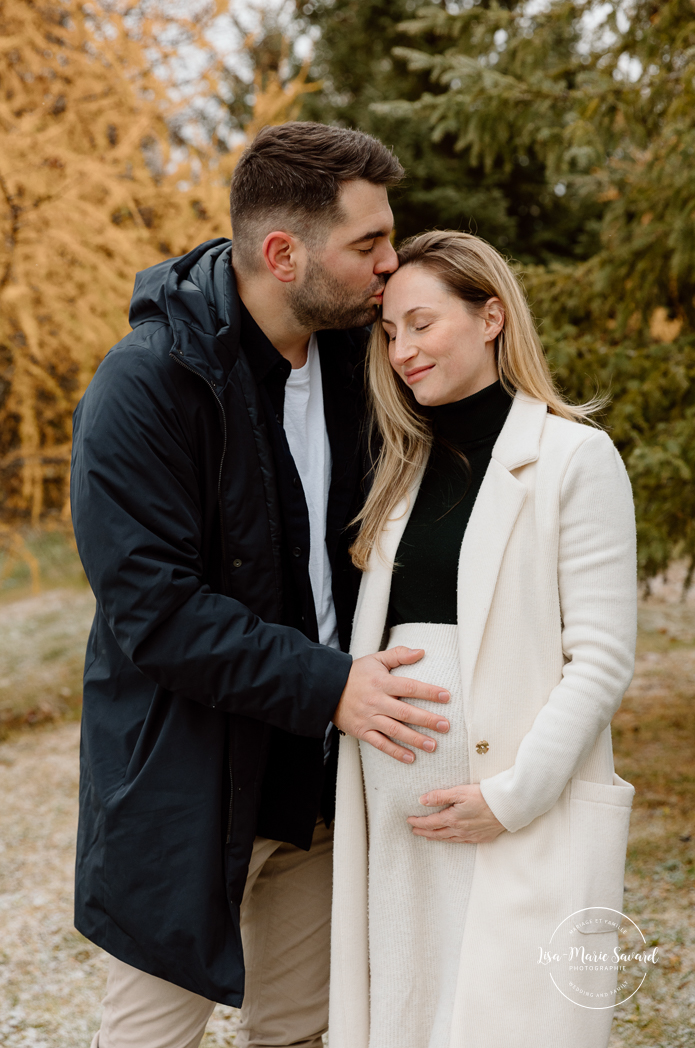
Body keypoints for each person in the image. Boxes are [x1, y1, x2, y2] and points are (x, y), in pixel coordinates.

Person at [70, 123, 453, 1048]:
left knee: (301, 1034)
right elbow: (155, 612)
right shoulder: (143, 387)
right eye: (367, 245)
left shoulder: (363, 367)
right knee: (150, 1038)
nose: (388, 264)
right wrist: (332, 686)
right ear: (284, 254)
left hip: (317, 784)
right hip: (181, 788)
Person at [329, 230, 638, 1048]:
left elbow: (602, 658)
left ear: (491, 315)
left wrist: (508, 799)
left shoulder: (575, 457)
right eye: (390, 333)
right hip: (398, 837)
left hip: (513, 818)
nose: (402, 350)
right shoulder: (399, 467)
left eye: (422, 324)